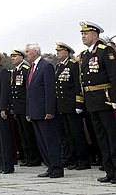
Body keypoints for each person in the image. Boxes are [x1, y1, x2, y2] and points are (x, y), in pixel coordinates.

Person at [79, 21, 116, 185]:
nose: (83, 36)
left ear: (95, 35)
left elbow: (113, 76)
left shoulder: (105, 51)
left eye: (85, 33)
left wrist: (114, 99)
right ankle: (110, 171)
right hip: (92, 102)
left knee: (112, 137)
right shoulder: (85, 55)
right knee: (101, 138)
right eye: (82, 34)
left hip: (105, 100)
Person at [25, 42, 63, 178]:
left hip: (44, 111)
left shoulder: (46, 66)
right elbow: (29, 92)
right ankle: (50, 166)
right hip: (34, 111)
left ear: (35, 52)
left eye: (28, 51)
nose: (26, 54)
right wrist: (28, 111)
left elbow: (49, 90)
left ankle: (57, 168)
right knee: (41, 141)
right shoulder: (31, 68)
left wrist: (50, 110)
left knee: (50, 140)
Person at [54, 41, 90, 170]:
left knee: (77, 134)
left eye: (59, 51)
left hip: (72, 105)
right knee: (68, 134)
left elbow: (77, 85)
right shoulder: (59, 66)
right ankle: (73, 159)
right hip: (63, 106)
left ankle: (83, 160)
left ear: (66, 52)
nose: (57, 53)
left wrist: (79, 103)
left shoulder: (73, 65)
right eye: (56, 51)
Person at [9, 48, 40, 166]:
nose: (13, 58)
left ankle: (34, 158)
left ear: (22, 57)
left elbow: (27, 89)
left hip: (24, 106)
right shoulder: (15, 71)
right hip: (17, 106)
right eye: (12, 56)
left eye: (15, 56)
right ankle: (27, 157)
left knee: (28, 133)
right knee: (22, 134)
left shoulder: (25, 69)